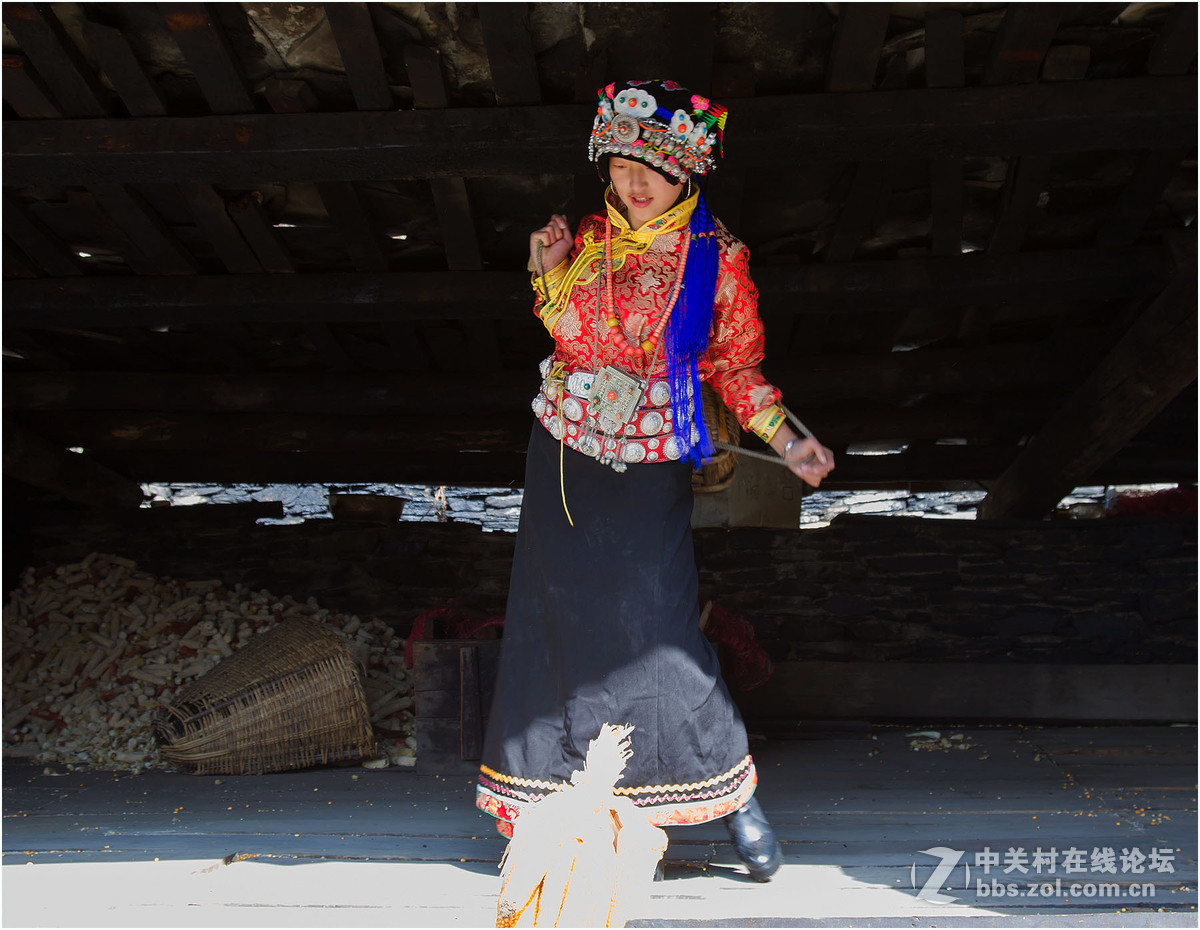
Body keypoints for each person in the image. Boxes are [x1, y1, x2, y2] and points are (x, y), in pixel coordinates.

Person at [475, 79, 835, 883]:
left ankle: (730, 793)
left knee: (658, 629)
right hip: (564, 452)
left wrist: (791, 438)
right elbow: (567, 331)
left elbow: (736, 370)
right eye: (624, 163)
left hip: (647, 463)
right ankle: (542, 812)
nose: (635, 182)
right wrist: (548, 269)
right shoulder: (590, 239)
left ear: (688, 171)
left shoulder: (718, 260)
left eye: (655, 168)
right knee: (552, 628)